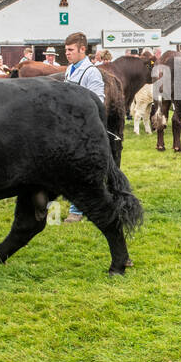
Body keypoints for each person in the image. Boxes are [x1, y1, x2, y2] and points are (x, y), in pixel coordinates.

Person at [61, 32, 105, 224]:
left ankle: (76, 211)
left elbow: (98, 102)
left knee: (80, 171)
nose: (67, 54)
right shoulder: (70, 68)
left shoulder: (91, 72)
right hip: (68, 126)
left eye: (70, 50)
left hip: (83, 129)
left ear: (82, 49)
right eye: (66, 50)